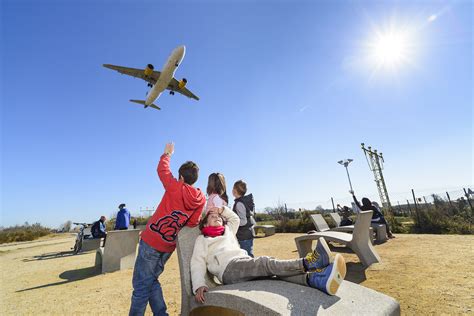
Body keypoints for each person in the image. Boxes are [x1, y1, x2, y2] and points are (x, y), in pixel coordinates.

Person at [191, 206, 347, 304]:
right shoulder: (203, 239)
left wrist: (221, 210)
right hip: (228, 270)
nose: (217, 218)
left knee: (275, 274)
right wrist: (199, 285)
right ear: (205, 224)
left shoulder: (228, 231)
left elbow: (235, 218)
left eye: (219, 217)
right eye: (212, 217)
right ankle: (308, 263)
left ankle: (316, 280)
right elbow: (197, 262)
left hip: (243, 262)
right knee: (265, 263)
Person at [129, 143, 206, 316]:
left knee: (141, 286)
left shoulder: (174, 186)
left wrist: (167, 154)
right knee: (151, 281)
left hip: (151, 241)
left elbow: (162, 170)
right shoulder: (200, 199)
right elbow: (194, 222)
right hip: (168, 246)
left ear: (181, 177)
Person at [232, 180, 256, 257]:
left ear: (235, 190)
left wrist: (233, 222)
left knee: (247, 256)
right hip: (247, 233)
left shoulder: (239, 203)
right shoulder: (244, 202)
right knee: (247, 255)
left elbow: (244, 221)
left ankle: (253, 268)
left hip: (244, 235)